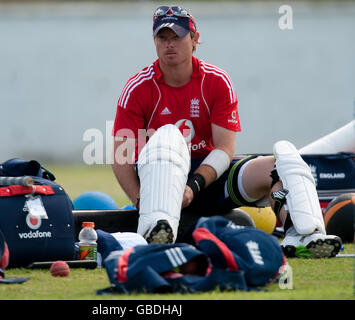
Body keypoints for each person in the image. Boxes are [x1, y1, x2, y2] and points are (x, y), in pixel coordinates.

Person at [111, 5, 342, 258]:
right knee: (166, 138)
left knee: (284, 164)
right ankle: (153, 230)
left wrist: (194, 186)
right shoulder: (138, 88)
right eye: (162, 37)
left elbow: (224, 148)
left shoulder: (216, 81)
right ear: (154, 41)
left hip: (208, 178)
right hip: (160, 179)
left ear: (194, 39)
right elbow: (121, 155)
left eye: (177, 36)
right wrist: (140, 201)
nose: (169, 44)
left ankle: (303, 234)